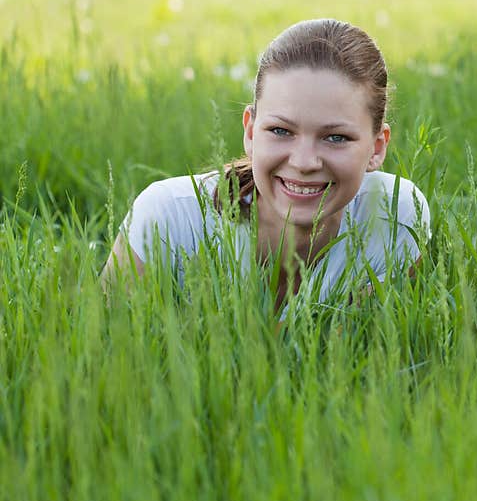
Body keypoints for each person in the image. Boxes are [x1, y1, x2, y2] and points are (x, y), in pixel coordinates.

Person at [102, 18, 430, 311]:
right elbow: (104, 351)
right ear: (250, 131)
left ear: (376, 147)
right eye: (280, 131)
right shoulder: (170, 218)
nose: (303, 163)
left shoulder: (394, 214)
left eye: (336, 138)